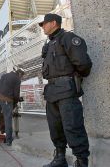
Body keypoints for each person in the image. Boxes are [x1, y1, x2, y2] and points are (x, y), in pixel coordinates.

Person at [39, 13, 92, 167]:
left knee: (73, 126)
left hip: (67, 90)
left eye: (44, 24)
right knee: (55, 127)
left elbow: (83, 63)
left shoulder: (68, 38)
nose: (42, 27)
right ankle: (60, 158)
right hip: (52, 92)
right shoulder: (49, 44)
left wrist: (73, 78)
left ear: (54, 23)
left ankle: (81, 161)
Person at [0, 68, 25, 146]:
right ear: (20, 74)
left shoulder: (4, 75)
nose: (21, 78)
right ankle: (9, 140)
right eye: (22, 76)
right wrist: (15, 103)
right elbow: (16, 94)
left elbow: (0, 87)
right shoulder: (17, 78)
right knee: (8, 119)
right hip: (6, 99)